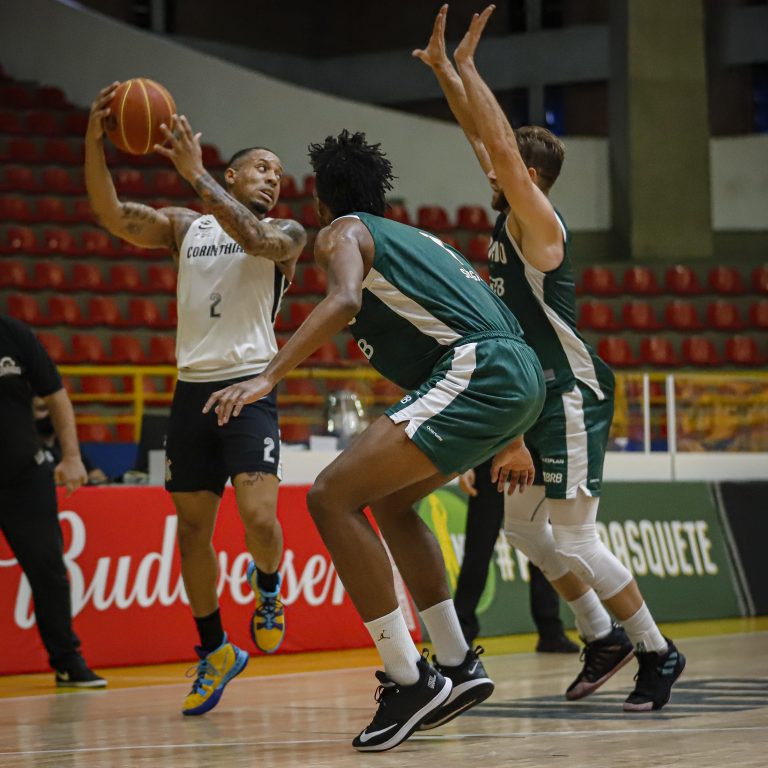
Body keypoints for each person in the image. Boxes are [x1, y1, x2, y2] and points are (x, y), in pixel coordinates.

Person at [202, 129, 547, 751]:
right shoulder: (419, 240)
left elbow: (342, 300)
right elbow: (498, 326)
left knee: (329, 497)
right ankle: (456, 661)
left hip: (480, 370)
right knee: (389, 502)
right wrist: (513, 434)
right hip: (511, 373)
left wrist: (267, 376)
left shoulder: (342, 233)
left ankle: (409, 679)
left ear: (320, 203)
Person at [414, 4, 685, 712]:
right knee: (523, 528)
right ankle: (601, 635)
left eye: (505, 162)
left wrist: (470, 66)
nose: (489, 163)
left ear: (528, 173)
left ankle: (657, 649)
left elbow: (498, 146)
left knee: (578, 539)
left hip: (569, 392)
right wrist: (447, 74)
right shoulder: (511, 211)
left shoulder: (539, 224)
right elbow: (484, 137)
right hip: (532, 396)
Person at [84, 83, 306, 715]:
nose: (273, 179)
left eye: (278, 173)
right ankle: (214, 650)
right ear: (232, 173)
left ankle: (269, 588)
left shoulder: (286, 232)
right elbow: (111, 213)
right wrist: (94, 142)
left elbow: (256, 241)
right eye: (261, 167)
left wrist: (194, 173)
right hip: (192, 391)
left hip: (250, 386)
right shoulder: (184, 227)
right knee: (191, 532)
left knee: (259, 518)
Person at [0, 315, 105, 688]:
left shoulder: (12, 334)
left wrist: (72, 456)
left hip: (23, 476)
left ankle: (67, 661)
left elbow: (56, 394)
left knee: (49, 572)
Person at [456, 458, 579, 653]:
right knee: (478, 549)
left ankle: (550, 631)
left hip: (531, 464)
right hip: (491, 462)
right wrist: (466, 464)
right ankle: (460, 635)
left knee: (542, 546)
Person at [33, 397, 110, 485]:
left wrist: (94, 477)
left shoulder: (68, 445)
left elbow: (93, 473)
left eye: (56, 409)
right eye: (43, 409)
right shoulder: (28, 448)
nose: (51, 413)